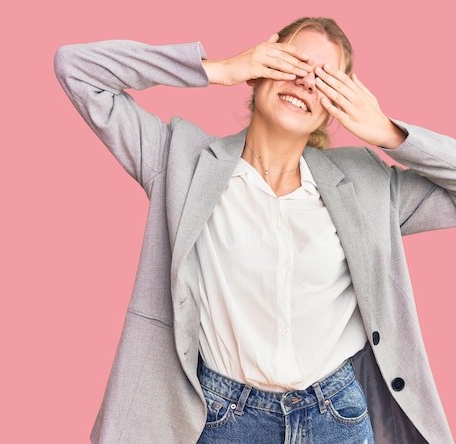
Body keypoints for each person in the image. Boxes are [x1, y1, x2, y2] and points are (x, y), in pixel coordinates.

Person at [54, 16, 455, 443]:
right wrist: (220, 68)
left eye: (325, 78)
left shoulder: (366, 185)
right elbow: (76, 68)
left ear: (337, 103)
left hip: (336, 418)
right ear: (260, 67)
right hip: (221, 418)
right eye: (293, 63)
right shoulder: (180, 162)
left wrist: (387, 132)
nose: (305, 82)